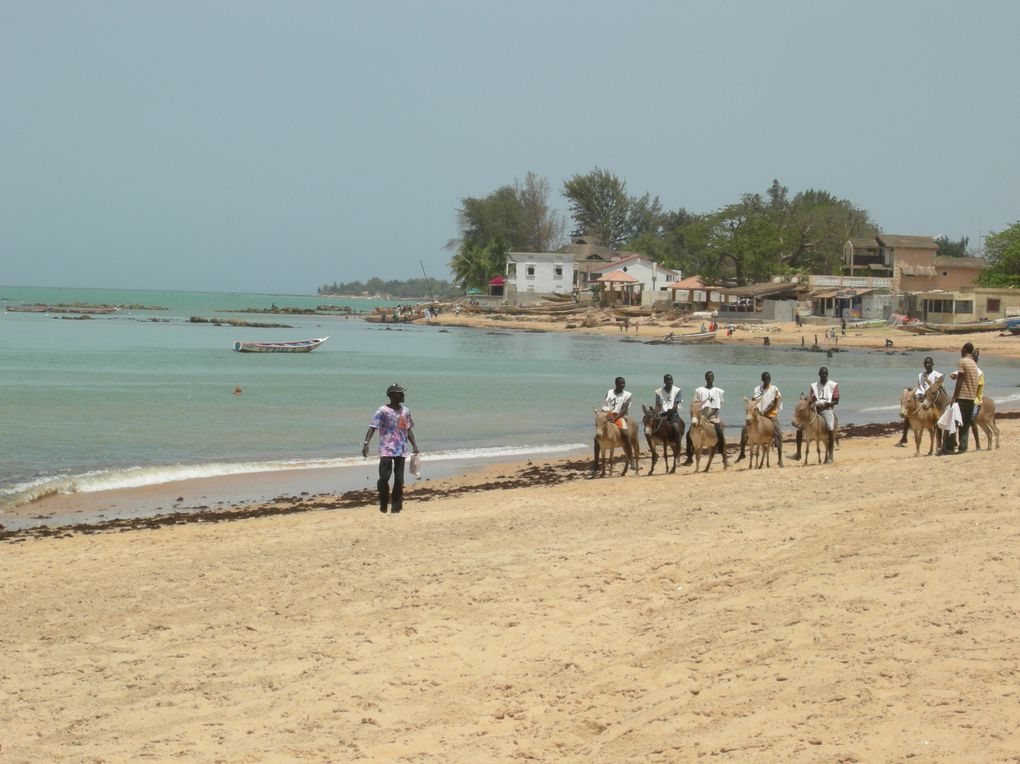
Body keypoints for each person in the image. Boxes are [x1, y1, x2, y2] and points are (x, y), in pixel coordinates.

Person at [362, 383, 419, 514]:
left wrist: (414, 445)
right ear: (393, 395)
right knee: (384, 478)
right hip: (386, 449)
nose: (403, 395)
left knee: (399, 480)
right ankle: (383, 502)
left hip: (401, 449)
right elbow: (372, 427)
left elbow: (408, 429)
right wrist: (366, 443)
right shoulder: (382, 410)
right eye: (400, 393)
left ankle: (396, 507)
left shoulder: (406, 411)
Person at [736, 371, 784, 467]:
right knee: (744, 429)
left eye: (768, 378)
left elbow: (776, 403)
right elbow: (753, 401)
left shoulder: (775, 389)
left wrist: (765, 412)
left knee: (778, 432)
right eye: (765, 378)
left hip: (770, 415)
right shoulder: (757, 389)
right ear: (762, 379)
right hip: (758, 414)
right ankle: (742, 453)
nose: (767, 380)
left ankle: (780, 460)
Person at [939, 342, 979, 455]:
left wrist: (954, 397)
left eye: (961, 349)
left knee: (952, 422)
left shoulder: (962, 361)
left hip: (962, 397)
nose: (960, 351)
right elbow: (968, 378)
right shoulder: (973, 363)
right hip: (971, 398)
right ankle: (963, 447)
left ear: (965, 350)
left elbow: (961, 380)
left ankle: (949, 447)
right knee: (965, 424)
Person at [682, 371, 728, 467]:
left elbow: (717, 408)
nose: (710, 379)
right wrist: (699, 416)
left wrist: (708, 416)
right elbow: (695, 405)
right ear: (705, 378)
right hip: (701, 418)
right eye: (708, 377)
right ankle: (689, 457)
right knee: (688, 435)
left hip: (713, 417)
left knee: (720, 434)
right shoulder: (699, 390)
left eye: (711, 377)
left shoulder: (718, 391)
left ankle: (724, 456)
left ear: (713, 378)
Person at [895, 356, 943, 447]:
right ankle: (904, 438)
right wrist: (917, 393)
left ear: (932, 364)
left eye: (929, 363)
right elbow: (919, 387)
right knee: (908, 414)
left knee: (937, 418)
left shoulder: (938, 375)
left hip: (931, 400)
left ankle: (939, 442)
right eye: (925, 363)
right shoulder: (920, 375)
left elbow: (937, 389)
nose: (927, 365)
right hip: (920, 397)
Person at [800, 366, 839, 463]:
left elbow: (836, 400)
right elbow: (811, 397)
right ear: (819, 375)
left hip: (827, 409)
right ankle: (798, 453)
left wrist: (828, 404)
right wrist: (805, 401)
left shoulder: (833, 385)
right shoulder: (814, 385)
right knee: (800, 425)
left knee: (830, 427)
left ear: (827, 375)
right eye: (822, 374)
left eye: (825, 374)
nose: (823, 376)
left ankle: (830, 455)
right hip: (815, 409)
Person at [597, 376, 635, 472]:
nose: (622, 385)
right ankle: (596, 463)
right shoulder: (609, 392)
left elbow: (623, 410)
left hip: (620, 416)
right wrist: (603, 416)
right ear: (616, 384)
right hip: (608, 415)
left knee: (625, 434)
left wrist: (615, 418)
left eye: (623, 383)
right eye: (620, 383)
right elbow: (605, 407)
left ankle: (631, 460)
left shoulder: (628, 395)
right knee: (597, 435)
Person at [653, 373, 684, 457]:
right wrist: (655, 412)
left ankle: (677, 450)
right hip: (662, 414)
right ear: (664, 381)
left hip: (673, 414)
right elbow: (657, 405)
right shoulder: (658, 391)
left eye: (671, 380)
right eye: (667, 380)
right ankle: (654, 451)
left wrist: (670, 411)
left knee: (676, 429)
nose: (669, 382)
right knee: (651, 428)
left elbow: (676, 404)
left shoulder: (677, 390)